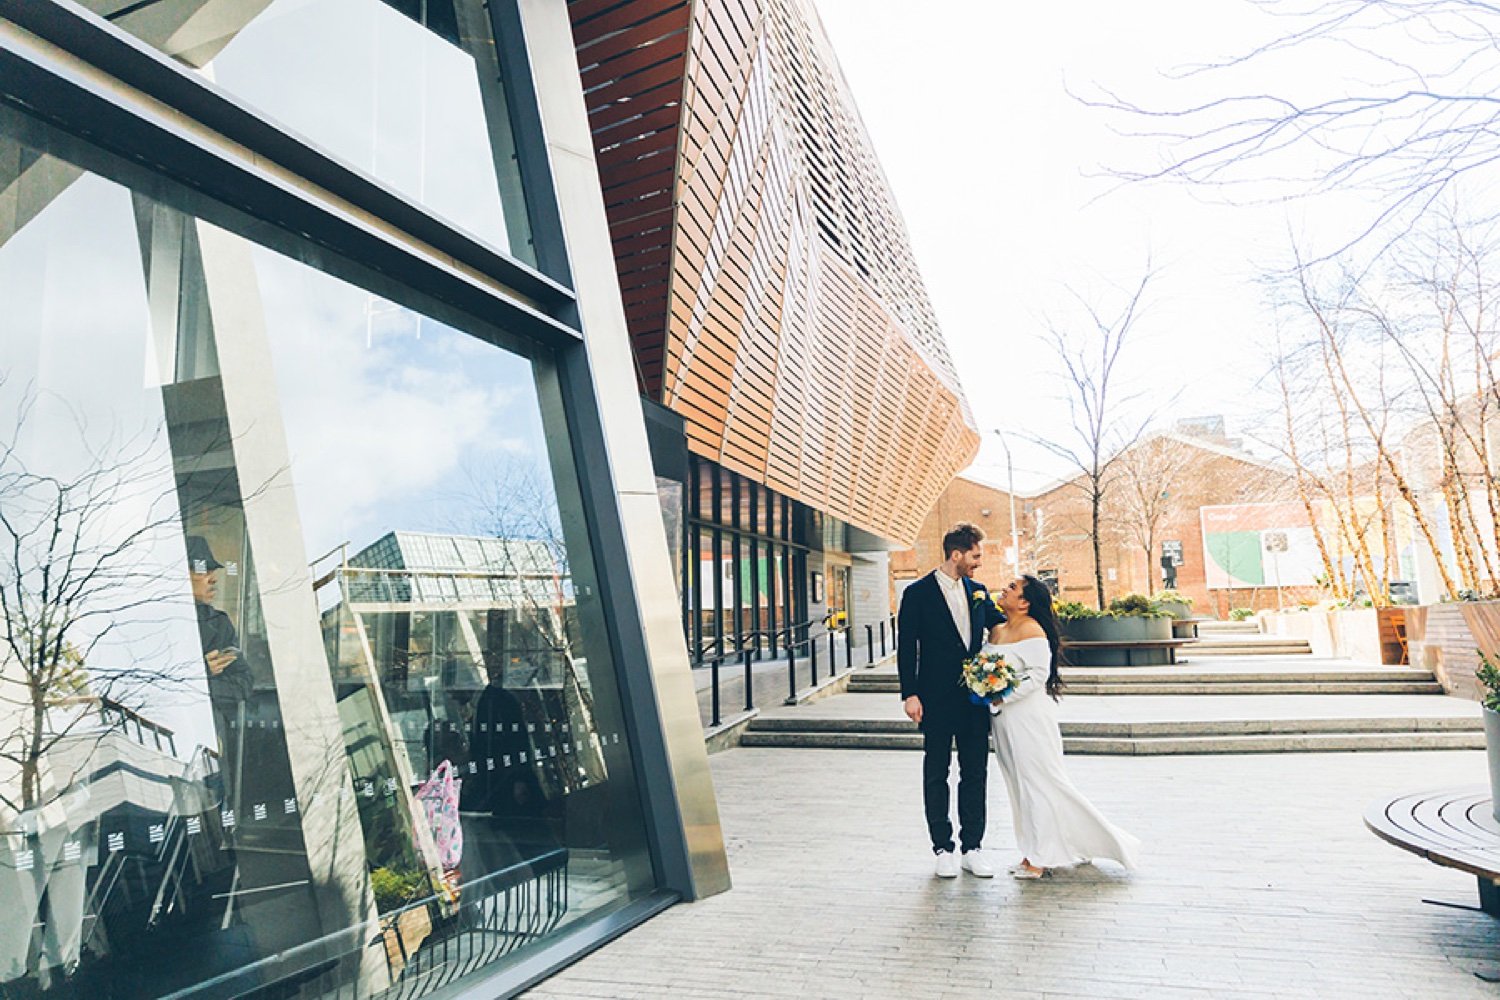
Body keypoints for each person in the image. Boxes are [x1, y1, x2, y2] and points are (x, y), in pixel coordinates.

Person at [985, 574, 1140, 879]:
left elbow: (1038, 675)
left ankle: (1042, 857)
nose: (1005, 589)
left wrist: (1003, 696)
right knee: (1018, 785)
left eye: (1013, 588)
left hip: (1027, 717)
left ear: (1025, 602)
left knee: (1040, 783)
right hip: (1002, 720)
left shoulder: (1033, 630)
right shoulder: (997, 630)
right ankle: (1031, 851)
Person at [897, 522, 1004, 878]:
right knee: (936, 772)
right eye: (975, 556)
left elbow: (1003, 625)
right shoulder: (917, 593)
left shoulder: (979, 591)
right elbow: (906, 648)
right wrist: (909, 694)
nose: (978, 563)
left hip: (974, 701)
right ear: (956, 554)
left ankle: (973, 847)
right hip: (935, 699)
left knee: (976, 773)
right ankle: (942, 847)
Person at [186, 535, 253, 748]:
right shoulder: (158, 620)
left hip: (210, 736)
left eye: (212, 571)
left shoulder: (219, 624)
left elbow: (243, 683)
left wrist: (202, 681)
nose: (213, 578)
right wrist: (200, 672)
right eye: (202, 570)